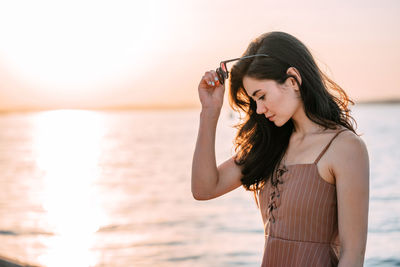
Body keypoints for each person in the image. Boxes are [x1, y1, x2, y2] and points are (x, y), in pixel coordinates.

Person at [191, 31, 369, 266]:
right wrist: (209, 111)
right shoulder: (270, 147)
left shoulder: (345, 148)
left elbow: (353, 255)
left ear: (293, 80)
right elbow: (204, 189)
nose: (259, 109)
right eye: (254, 101)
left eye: (261, 96)